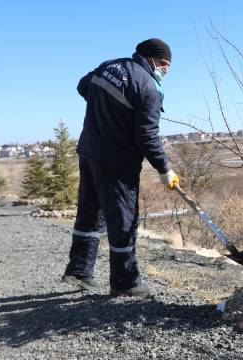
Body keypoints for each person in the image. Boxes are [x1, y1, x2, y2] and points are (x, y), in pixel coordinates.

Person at [61, 38, 180, 297]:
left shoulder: (108, 66)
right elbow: (147, 136)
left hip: (90, 152)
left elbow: (83, 86)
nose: (166, 70)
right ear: (149, 58)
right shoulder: (148, 87)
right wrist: (164, 169)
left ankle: (79, 271)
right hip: (118, 162)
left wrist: (106, 109)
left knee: (90, 213)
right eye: (163, 64)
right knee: (123, 220)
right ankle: (125, 282)